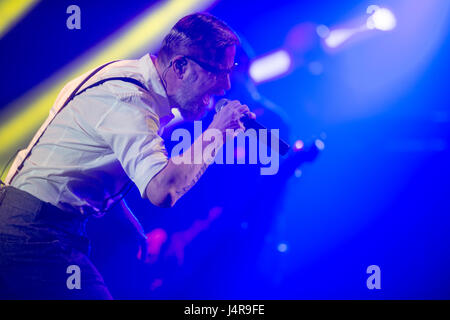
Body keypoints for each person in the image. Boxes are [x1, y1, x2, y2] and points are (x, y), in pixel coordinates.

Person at [0, 12, 254, 299]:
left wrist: (127, 222)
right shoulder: (130, 100)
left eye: (230, 70)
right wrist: (216, 133)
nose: (226, 85)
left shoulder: (125, 75)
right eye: (217, 71)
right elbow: (163, 190)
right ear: (180, 66)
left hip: (24, 222)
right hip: (33, 233)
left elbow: (81, 161)